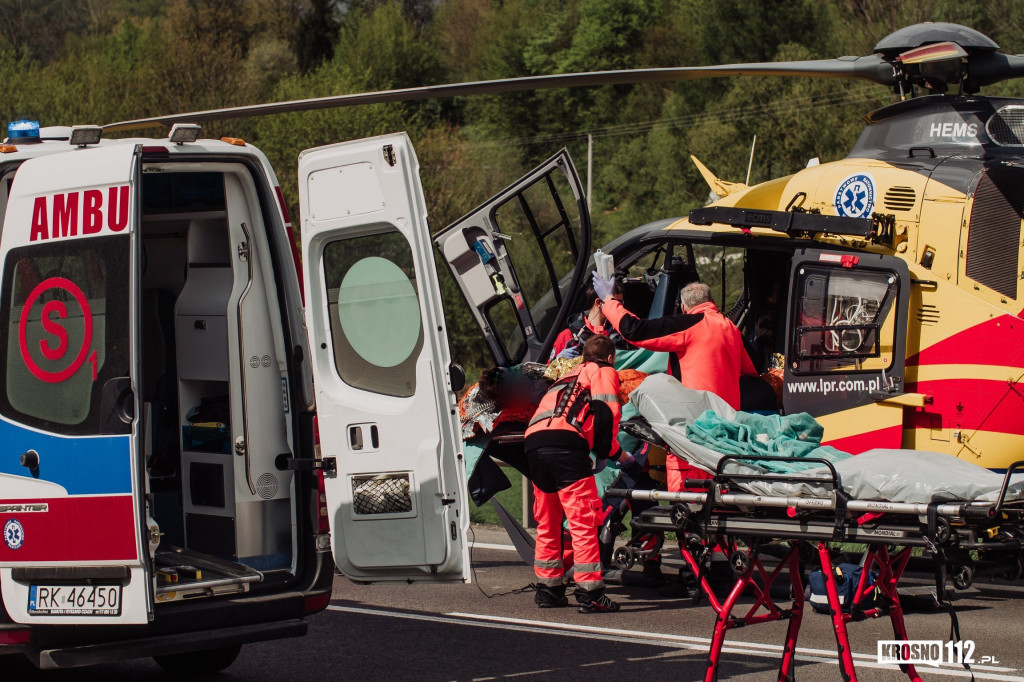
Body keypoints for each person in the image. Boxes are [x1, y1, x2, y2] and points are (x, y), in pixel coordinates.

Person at [524, 335, 637, 613]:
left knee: (548, 519)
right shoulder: (604, 371)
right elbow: (606, 414)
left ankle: (549, 590)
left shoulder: (566, 376)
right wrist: (617, 455)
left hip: (534, 443)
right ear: (610, 358)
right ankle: (591, 594)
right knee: (583, 520)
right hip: (567, 446)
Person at [591, 276, 757, 411]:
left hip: (697, 419)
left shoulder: (687, 325)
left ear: (683, 308)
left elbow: (635, 331)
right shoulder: (732, 330)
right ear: (712, 301)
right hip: (729, 416)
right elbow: (751, 370)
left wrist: (609, 300)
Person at [549, 282, 629, 362]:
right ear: (598, 303)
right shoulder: (568, 335)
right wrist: (557, 360)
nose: (620, 307)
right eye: (616, 303)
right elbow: (547, 371)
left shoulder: (622, 334)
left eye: (621, 303)